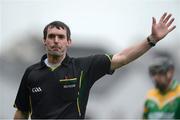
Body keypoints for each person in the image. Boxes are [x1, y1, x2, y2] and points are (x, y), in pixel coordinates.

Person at [14, 12, 176, 119]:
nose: (56, 40)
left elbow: (123, 58)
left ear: (69, 42)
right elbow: (22, 112)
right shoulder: (31, 73)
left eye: (61, 37)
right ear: (44, 41)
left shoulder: (83, 66)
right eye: (51, 36)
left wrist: (151, 40)